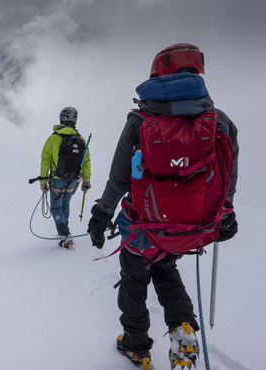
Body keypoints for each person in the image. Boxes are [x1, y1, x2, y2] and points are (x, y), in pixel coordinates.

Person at [87, 44, 239, 370]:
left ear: (157, 74)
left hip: (143, 227)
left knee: (133, 281)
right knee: (166, 271)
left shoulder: (140, 121)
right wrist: (225, 214)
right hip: (189, 228)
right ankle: (182, 327)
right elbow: (228, 176)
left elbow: (119, 179)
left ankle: (136, 346)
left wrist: (101, 214)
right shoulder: (220, 122)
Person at [39, 106, 91, 249]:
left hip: (57, 180)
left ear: (61, 119)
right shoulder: (81, 139)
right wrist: (86, 180)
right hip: (74, 180)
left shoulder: (53, 139)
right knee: (65, 205)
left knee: (55, 207)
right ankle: (64, 228)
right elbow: (86, 161)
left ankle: (64, 233)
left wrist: (43, 181)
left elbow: (45, 160)